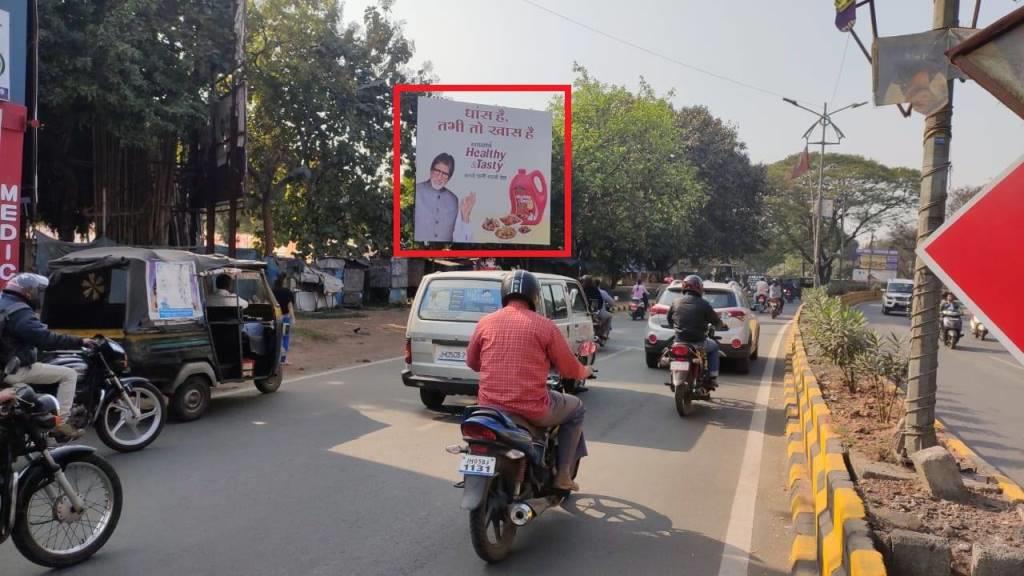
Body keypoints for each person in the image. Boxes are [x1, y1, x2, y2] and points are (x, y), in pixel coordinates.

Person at [466, 270, 592, 492]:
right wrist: (584, 371)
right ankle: (563, 475)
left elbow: (473, 362)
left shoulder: (485, 323)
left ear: (504, 294)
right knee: (577, 408)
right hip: (531, 409)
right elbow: (568, 368)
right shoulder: (544, 326)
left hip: (488, 408)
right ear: (534, 296)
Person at [0, 273, 95, 440]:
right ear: (28, 292)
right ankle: (61, 425)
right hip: (12, 369)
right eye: (36, 291)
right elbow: (45, 339)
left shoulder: (3, 303)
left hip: (5, 365)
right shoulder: (19, 311)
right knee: (69, 374)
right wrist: (79, 341)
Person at [666, 275, 727, 385]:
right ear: (699, 288)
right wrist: (721, 326)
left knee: (670, 353)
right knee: (714, 347)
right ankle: (713, 377)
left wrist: (675, 327)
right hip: (698, 342)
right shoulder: (704, 304)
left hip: (679, 341)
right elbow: (716, 321)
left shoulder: (675, 302)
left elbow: (669, 319)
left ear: (684, 287)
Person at [414, 153, 475, 243]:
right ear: (431, 170)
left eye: (445, 174)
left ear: (449, 178)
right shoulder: (416, 191)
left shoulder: (454, 200)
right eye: (437, 171)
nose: (440, 177)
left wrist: (465, 216)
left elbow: (463, 239)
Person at [272, 276, 295, 366]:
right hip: (285, 318)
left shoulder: (272, 291)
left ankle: (276, 359)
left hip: (275, 318)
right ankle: (283, 359)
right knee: (285, 337)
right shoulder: (287, 292)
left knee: (277, 337)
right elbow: (290, 306)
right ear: (284, 282)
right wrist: (293, 317)